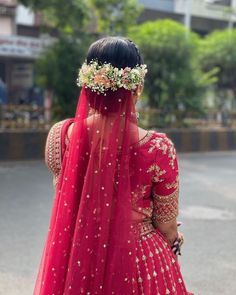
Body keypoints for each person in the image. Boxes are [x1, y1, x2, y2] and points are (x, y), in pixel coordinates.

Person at [34, 37, 193, 295]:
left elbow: (68, 200)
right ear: (137, 87)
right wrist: (175, 240)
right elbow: (166, 223)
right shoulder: (158, 148)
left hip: (79, 255)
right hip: (139, 261)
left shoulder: (61, 135)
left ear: (88, 83)